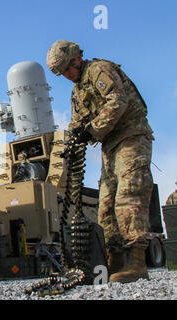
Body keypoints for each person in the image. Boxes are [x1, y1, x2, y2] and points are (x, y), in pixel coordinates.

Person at [46, 40, 154, 283]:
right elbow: (76, 123)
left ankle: (137, 263)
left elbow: (117, 100)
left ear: (77, 60)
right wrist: (70, 144)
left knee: (129, 194)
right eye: (61, 73)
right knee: (105, 206)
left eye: (67, 69)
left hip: (131, 137)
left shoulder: (99, 70)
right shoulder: (78, 91)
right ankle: (115, 262)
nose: (66, 76)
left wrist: (91, 130)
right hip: (110, 146)